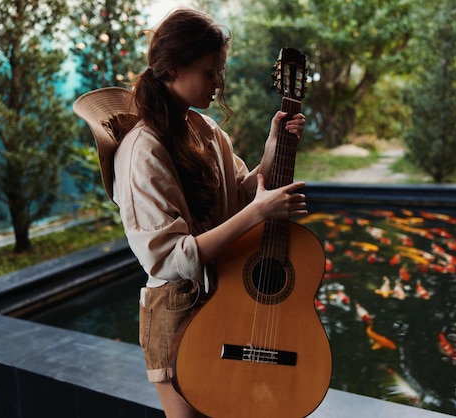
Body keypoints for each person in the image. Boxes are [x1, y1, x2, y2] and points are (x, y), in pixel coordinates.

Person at [74, 8, 307, 418]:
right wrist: (258, 213)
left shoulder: (205, 130)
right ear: (173, 68)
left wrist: (274, 145)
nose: (218, 85)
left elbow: (239, 192)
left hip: (227, 302)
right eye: (208, 72)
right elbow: (169, 257)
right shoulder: (142, 150)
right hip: (178, 313)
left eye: (220, 72)